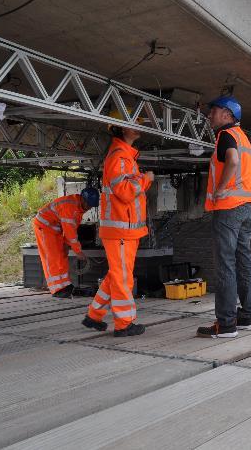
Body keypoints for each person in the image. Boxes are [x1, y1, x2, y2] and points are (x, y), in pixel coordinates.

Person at [196, 96, 251, 338]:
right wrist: (249, 191)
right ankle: (247, 317)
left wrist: (223, 189)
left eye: (213, 110)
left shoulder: (225, 136)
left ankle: (225, 324)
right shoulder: (244, 137)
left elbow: (233, 161)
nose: (209, 115)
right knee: (244, 261)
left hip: (228, 209)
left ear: (227, 114)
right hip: (246, 208)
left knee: (225, 263)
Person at [82, 113, 154, 337]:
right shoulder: (119, 156)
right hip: (121, 230)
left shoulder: (125, 156)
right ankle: (124, 324)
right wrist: (146, 179)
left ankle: (94, 316)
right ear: (121, 128)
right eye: (133, 124)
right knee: (122, 278)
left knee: (117, 275)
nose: (138, 127)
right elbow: (124, 192)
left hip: (124, 230)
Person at [33, 188, 99, 298]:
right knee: (52, 257)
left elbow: (71, 229)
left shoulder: (78, 208)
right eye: (88, 204)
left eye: (91, 206)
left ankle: (65, 285)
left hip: (55, 228)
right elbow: (70, 232)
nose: (89, 208)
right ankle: (57, 289)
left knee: (62, 255)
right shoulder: (70, 207)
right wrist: (78, 251)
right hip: (44, 226)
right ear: (82, 199)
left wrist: (66, 244)